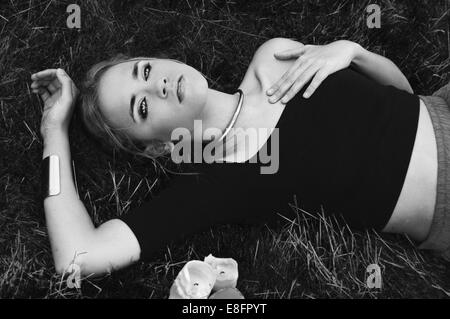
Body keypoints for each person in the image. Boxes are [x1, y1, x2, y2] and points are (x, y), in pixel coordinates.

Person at [31, 38, 450, 277]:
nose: (155, 85)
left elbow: (405, 96)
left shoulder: (274, 57)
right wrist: (55, 131)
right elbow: (77, 257)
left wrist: (351, 52)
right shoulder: (212, 185)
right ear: (157, 147)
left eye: (143, 70)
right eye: (141, 109)